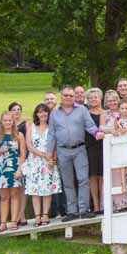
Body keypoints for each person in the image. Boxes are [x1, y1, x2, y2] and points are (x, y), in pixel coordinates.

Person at [48, 87, 105, 220]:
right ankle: (72, 211)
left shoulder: (81, 110)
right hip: (63, 150)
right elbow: (51, 134)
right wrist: (49, 154)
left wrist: (97, 133)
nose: (68, 97)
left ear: (74, 97)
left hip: (79, 149)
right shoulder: (55, 113)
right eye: (66, 95)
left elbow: (90, 126)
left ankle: (84, 209)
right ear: (61, 97)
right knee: (67, 182)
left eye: (71, 95)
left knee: (83, 179)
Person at [23, 103, 62, 226]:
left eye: (45, 111)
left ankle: (45, 215)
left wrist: (52, 159)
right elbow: (29, 145)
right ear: (36, 114)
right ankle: (37, 216)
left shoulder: (52, 127)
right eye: (40, 112)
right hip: (34, 161)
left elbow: (56, 144)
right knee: (35, 190)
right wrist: (42, 154)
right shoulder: (31, 127)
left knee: (47, 189)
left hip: (49, 161)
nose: (43, 114)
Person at [0, 111, 25, 231]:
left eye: (10, 120)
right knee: (3, 197)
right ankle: (3, 222)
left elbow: (23, 154)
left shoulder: (19, 135)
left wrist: (20, 169)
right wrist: (0, 151)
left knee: (14, 195)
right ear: (1, 122)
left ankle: (14, 221)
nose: (7, 122)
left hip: (14, 167)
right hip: (1, 168)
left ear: (13, 121)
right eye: (5, 120)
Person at [109, 99, 127, 211]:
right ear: (119, 109)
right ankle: (123, 184)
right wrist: (116, 132)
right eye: (122, 108)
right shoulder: (117, 119)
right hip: (121, 144)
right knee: (122, 164)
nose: (124, 110)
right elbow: (115, 130)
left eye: (126, 108)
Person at [86, 88, 108, 214]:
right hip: (90, 147)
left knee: (102, 176)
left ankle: (103, 203)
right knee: (92, 176)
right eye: (91, 98)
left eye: (96, 97)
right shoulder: (86, 113)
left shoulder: (105, 113)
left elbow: (105, 129)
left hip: (102, 146)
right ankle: (95, 205)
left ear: (100, 98)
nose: (93, 99)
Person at [8, 101, 29, 225]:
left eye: (18, 109)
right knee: (13, 189)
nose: (16, 112)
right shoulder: (7, 125)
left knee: (22, 188)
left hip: (22, 157)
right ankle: (14, 216)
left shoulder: (25, 125)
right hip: (10, 160)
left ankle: (22, 215)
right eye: (14, 110)